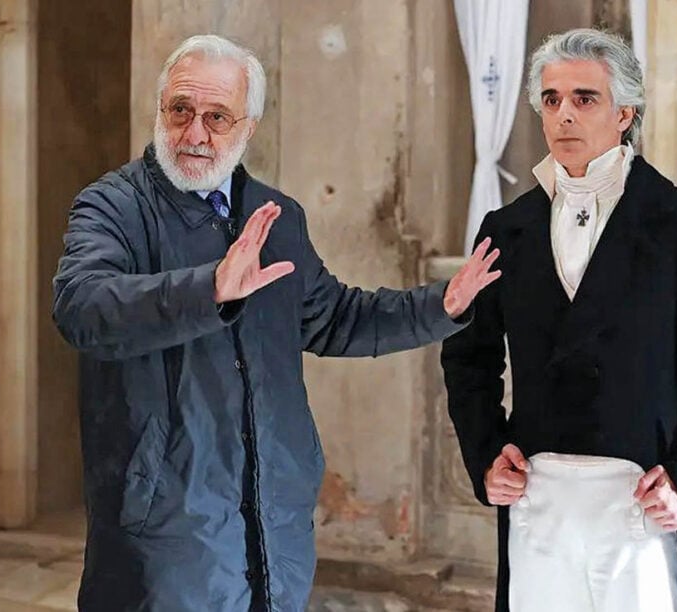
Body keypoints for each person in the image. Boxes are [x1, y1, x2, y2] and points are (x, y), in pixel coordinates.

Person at [52, 34, 500, 611]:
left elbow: (335, 318)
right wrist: (210, 289)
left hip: (275, 520)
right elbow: (82, 306)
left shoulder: (276, 216)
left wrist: (442, 306)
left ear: (249, 126)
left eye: (217, 117)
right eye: (181, 110)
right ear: (160, 109)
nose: (194, 133)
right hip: (164, 530)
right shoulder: (113, 205)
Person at [441, 28, 677, 612]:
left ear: (625, 113)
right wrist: (487, 454)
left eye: (584, 98)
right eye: (551, 100)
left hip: (641, 502)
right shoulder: (506, 229)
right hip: (537, 503)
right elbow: (468, 358)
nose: (564, 115)